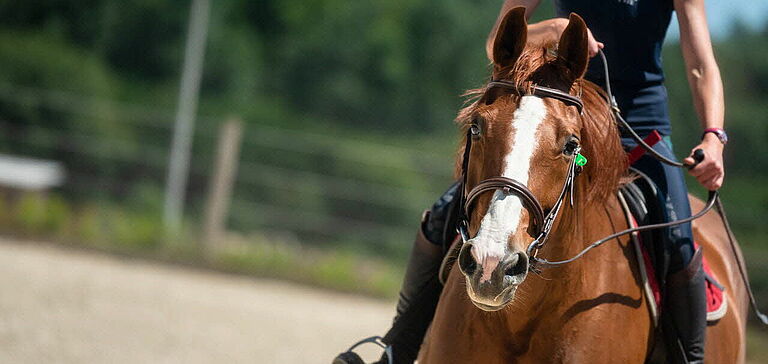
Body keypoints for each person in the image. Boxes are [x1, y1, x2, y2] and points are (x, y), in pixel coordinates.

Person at [339, 1, 725, 363]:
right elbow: (496, 43)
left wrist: (713, 136)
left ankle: (690, 359)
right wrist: (552, 29)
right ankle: (396, 349)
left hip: (639, 131)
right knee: (445, 212)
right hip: (551, 112)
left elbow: (701, 65)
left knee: (678, 241)